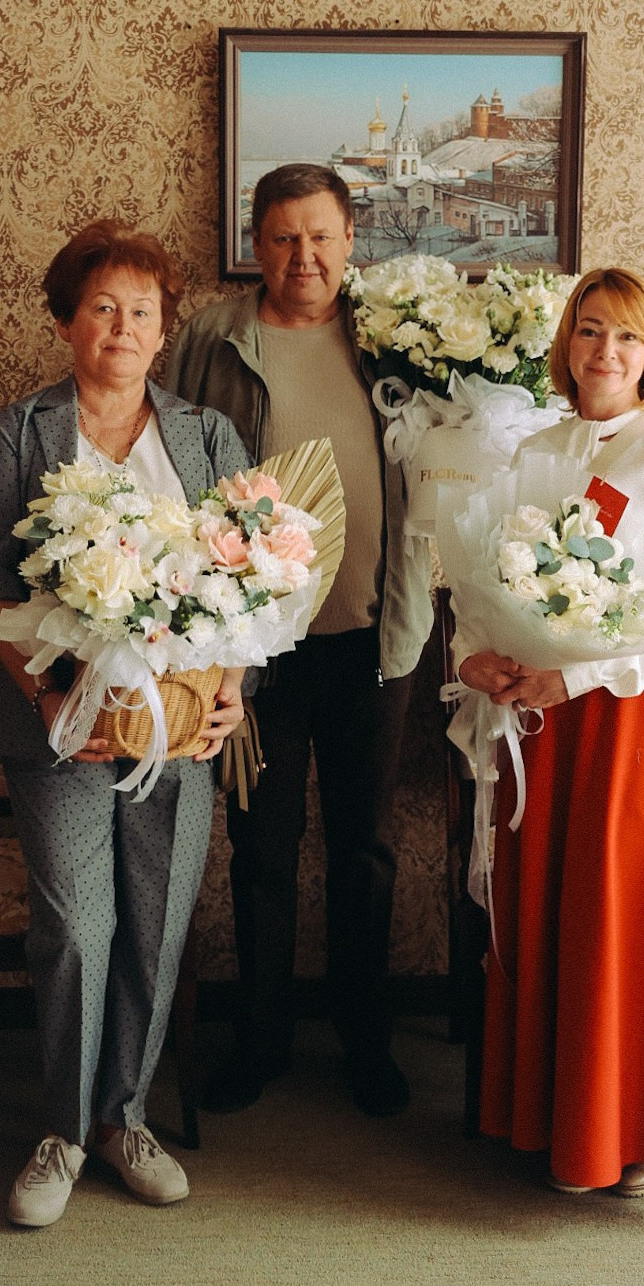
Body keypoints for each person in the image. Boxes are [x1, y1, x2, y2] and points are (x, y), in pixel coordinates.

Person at [0, 220, 250, 1227]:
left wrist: (229, 698)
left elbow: (250, 581)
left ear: (165, 332)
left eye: (141, 312)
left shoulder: (208, 437)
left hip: (178, 729)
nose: (121, 328)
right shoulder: (22, 432)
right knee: (79, 928)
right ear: (64, 321)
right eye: (101, 309)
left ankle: (128, 1116)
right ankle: (66, 1132)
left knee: (157, 930)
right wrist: (49, 706)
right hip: (59, 729)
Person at [456, 266, 644, 1197]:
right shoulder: (535, 448)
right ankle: (556, 1120)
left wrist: (575, 671)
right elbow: (481, 578)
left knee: (628, 917)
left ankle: (636, 1132)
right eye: (589, 331)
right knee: (551, 908)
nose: (605, 351)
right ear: (566, 345)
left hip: (630, 718)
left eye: (625, 335)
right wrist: (475, 658)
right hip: (542, 720)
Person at [163, 164, 434, 1117]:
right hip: (252, 655)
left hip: (374, 637)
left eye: (320, 236)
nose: (303, 256)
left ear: (351, 239)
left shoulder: (397, 337)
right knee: (262, 847)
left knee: (367, 848)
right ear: (256, 244)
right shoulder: (210, 338)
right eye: (283, 237)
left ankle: (368, 1042)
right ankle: (263, 1038)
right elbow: (167, 471)